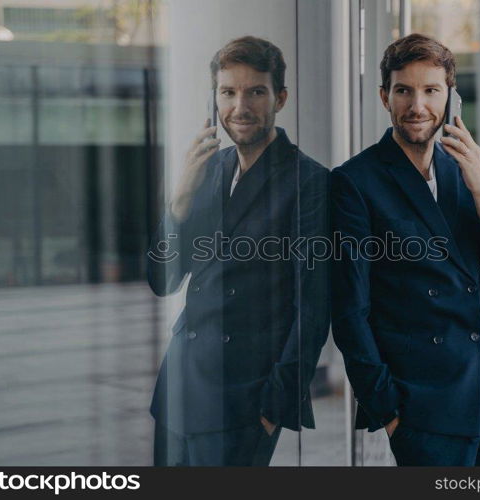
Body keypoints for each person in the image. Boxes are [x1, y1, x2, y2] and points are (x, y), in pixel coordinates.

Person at [331, 33, 480, 466]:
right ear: (385, 97)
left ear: (450, 97)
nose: (417, 105)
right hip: (423, 406)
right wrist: (387, 410)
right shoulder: (355, 181)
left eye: (431, 90)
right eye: (404, 90)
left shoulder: (475, 168)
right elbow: (349, 311)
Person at [147, 36, 330, 466]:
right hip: (179, 390)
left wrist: (275, 406)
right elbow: (163, 280)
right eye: (228, 92)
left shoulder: (309, 181)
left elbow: (314, 305)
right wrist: (178, 205)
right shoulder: (206, 169)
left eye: (255, 91)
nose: (239, 106)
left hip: (244, 400)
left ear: (279, 99)